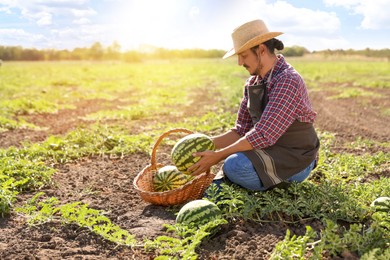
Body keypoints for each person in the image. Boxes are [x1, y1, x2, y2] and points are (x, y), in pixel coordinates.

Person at [188, 19, 320, 191]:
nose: (239, 63)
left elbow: (263, 134)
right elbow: (241, 131)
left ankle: (254, 185)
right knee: (235, 162)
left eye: (243, 56)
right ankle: (249, 184)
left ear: (262, 50)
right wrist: (202, 145)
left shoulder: (288, 80)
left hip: (296, 158)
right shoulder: (253, 82)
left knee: (235, 165)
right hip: (269, 151)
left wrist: (218, 156)